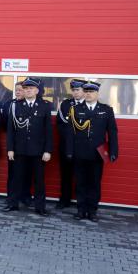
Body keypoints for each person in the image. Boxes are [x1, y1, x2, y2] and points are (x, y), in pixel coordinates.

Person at [66, 80, 119, 222]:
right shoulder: (75, 109)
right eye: (86, 91)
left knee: (95, 183)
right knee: (80, 183)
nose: (88, 94)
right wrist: (69, 151)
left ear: (97, 93)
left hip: (97, 154)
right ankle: (80, 210)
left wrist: (113, 151)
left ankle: (92, 211)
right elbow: (70, 132)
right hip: (80, 153)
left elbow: (112, 132)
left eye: (91, 92)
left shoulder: (106, 110)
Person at [4, 78, 53, 216]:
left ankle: (40, 207)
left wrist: (48, 150)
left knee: (39, 181)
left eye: (31, 88)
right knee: (16, 179)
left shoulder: (45, 106)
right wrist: (10, 149)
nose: (28, 91)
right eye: (26, 88)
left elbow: (48, 131)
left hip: (38, 151)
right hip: (19, 150)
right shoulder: (16, 106)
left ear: (37, 90)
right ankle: (13, 204)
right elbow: (10, 130)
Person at [55, 79, 86, 208]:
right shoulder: (65, 104)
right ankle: (64, 200)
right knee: (66, 175)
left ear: (84, 91)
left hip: (83, 148)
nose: (75, 92)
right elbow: (60, 124)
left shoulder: (89, 104)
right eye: (73, 90)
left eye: (77, 90)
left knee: (82, 176)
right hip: (66, 146)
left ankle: (81, 202)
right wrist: (70, 139)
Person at [2, 82, 25, 203]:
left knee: (26, 172)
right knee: (12, 172)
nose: (18, 92)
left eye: (20, 90)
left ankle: (25, 197)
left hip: (26, 145)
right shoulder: (9, 104)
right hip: (13, 144)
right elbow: (4, 124)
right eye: (16, 90)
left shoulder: (29, 105)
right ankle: (10, 197)